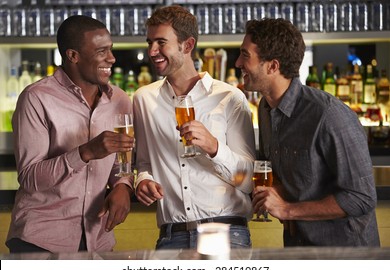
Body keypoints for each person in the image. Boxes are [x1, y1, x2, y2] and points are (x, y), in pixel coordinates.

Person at [235, 18, 380, 246]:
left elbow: (361, 198)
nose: (238, 63)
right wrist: (278, 189)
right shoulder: (265, 109)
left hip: (346, 257)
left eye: (245, 55)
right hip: (299, 248)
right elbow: (276, 171)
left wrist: (288, 210)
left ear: (273, 66)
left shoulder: (329, 115)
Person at [6, 15, 135, 253]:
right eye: (101, 51)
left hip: (98, 239)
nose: (112, 58)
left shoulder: (120, 100)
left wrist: (123, 186)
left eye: (111, 50)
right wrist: (85, 152)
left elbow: (121, 163)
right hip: (40, 241)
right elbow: (30, 178)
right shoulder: (36, 98)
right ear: (73, 56)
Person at [133, 5, 256, 249]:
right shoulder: (143, 98)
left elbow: (249, 179)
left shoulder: (230, 97)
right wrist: (143, 181)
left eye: (160, 42)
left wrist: (214, 148)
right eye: (149, 43)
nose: (152, 51)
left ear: (187, 45)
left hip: (226, 233)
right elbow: (144, 164)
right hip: (171, 235)